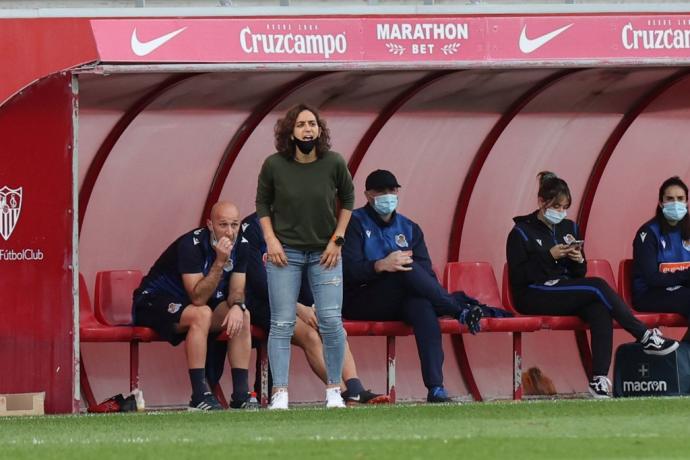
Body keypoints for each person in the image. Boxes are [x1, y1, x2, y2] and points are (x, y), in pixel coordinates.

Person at [506, 171, 679, 399]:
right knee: (597, 285)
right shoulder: (520, 232)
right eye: (555, 206)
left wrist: (578, 261)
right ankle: (645, 336)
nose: (560, 212)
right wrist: (550, 256)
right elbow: (518, 276)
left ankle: (598, 379)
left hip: (563, 289)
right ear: (541, 202)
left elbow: (579, 273)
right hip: (532, 293)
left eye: (564, 207)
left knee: (599, 309)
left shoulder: (569, 228)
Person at [341, 169, 484, 403]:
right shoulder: (354, 223)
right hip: (361, 298)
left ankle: (436, 388)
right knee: (401, 269)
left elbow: (425, 273)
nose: (387, 196)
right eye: (381, 191)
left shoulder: (409, 227)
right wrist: (380, 265)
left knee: (420, 304)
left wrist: (397, 266)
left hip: (401, 297)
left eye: (392, 190)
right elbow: (348, 271)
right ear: (367, 195)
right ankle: (457, 309)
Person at [255, 103, 353, 410]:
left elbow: (348, 201)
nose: (307, 129)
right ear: (290, 132)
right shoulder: (274, 165)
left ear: (320, 130)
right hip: (286, 255)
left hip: (325, 254)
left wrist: (337, 240)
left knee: (331, 321)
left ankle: (334, 389)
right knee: (282, 323)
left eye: (312, 124)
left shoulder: (334, 162)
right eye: (301, 125)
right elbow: (262, 204)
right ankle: (280, 393)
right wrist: (271, 241)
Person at [238, 212, 389, 404]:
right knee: (309, 335)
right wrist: (299, 308)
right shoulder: (252, 227)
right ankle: (341, 392)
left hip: (297, 302)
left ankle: (355, 388)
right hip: (263, 302)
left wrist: (315, 306)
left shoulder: (299, 221)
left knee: (332, 326)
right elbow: (259, 282)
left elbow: (309, 269)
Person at [132, 201, 252, 410]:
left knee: (244, 314)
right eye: (223, 225)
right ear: (210, 225)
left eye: (235, 224)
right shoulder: (192, 245)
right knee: (202, 313)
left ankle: (241, 395)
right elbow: (197, 297)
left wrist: (237, 306)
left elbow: (237, 289)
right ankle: (199, 396)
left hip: (192, 305)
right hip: (153, 301)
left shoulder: (241, 244)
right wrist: (220, 261)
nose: (230, 232)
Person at [632, 176, 690, 341]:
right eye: (669, 199)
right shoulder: (648, 233)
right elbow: (652, 278)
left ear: (687, 202)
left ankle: (680, 357)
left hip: (680, 290)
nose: (675, 203)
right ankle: (682, 358)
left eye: (680, 199)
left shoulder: (688, 230)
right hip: (649, 294)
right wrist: (686, 275)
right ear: (660, 202)